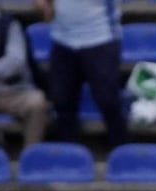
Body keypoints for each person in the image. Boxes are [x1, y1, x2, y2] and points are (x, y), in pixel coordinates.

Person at [32, 0, 127, 146]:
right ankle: (69, 152)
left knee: (108, 101)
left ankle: (120, 149)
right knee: (61, 102)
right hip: (62, 41)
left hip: (100, 39)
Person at [0, 1, 48, 146]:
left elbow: (15, 61)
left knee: (37, 102)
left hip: (10, 92)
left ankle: (31, 153)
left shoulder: (8, 24)